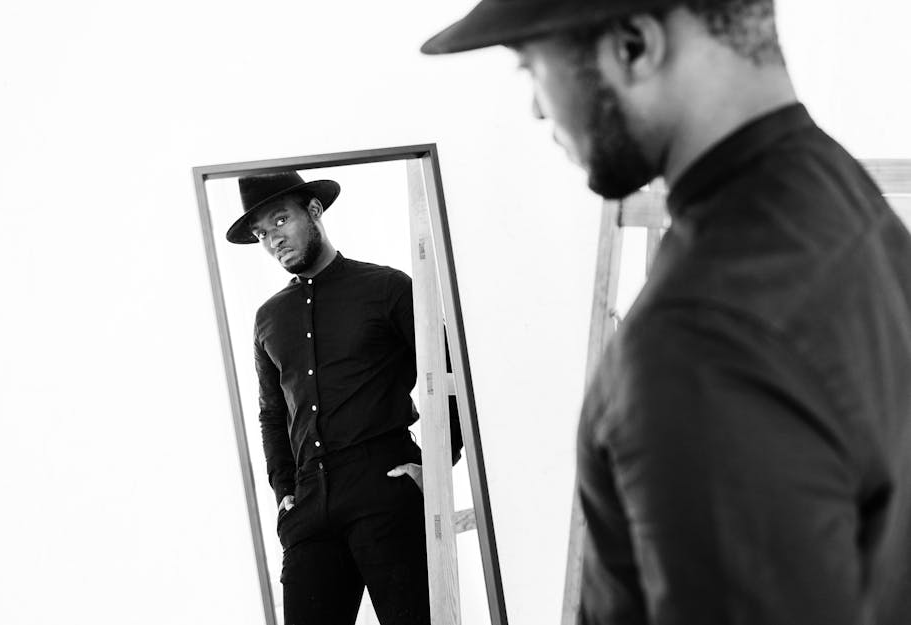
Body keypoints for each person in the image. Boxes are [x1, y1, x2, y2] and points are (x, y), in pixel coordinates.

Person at [423, 2, 911, 624]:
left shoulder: (700, 341)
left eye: (531, 68)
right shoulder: (843, 199)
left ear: (632, 45)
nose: (538, 108)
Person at [225, 170, 462, 625]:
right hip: (309, 504)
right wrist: (283, 493)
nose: (272, 240)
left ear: (313, 211)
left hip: (385, 486)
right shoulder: (267, 320)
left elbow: (450, 376)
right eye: (260, 234)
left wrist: (435, 465)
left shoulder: (388, 288)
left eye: (279, 221)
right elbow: (272, 415)